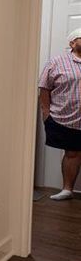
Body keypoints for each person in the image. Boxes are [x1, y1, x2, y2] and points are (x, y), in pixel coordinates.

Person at [39, 28, 81, 200]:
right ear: (72, 43)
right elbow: (44, 87)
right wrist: (46, 112)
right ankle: (67, 190)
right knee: (72, 153)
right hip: (65, 118)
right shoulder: (56, 62)